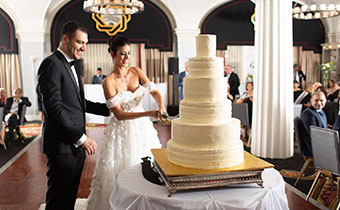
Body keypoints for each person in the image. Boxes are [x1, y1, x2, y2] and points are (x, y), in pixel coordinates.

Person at [86, 35, 165, 210]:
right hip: (121, 130)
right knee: (121, 169)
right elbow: (119, 115)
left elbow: (155, 93)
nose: (127, 58)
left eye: (128, 53)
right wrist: (150, 113)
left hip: (142, 129)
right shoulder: (108, 82)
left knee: (147, 167)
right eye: (122, 54)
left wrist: (161, 106)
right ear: (112, 54)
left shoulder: (136, 72)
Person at [37, 21, 110, 210]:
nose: (84, 48)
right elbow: (54, 108)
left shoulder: (70, 66)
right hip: (62, 145)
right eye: (80, 42)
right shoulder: (51, 64)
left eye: (85, 43)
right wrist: (81, 138)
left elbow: (77, 103)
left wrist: (108, 108)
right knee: (58, 200)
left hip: (73, 147)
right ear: (64, 38)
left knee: (69, 197)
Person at [300, 91, 327, 157]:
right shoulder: (308, 113)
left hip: (321, 143)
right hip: (312, 147)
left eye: (321, 100)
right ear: (311, 100)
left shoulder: (321, 112)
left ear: (325, 101)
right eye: (316, 100)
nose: (319, 103)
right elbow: (314, 134)